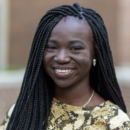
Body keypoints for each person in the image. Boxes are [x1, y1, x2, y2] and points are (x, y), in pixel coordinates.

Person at [0, 3, 130, 130]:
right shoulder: (23, 112)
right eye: (51, 47)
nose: (61, 58)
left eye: (75, 48)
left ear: (95, 53)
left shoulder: (113, 122)